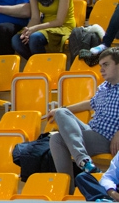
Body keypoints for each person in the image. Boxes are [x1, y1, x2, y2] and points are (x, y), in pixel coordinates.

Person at [48, 48, 119, 188]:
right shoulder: (104, 87)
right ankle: (67, 191)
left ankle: (82, 160)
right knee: (58, 126)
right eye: (100, 66)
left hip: (108, 137)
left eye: (106, 65)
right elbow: (91, 103)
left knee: (58, 139)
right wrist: (62, 109)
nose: (101, 70)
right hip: (92, 130)